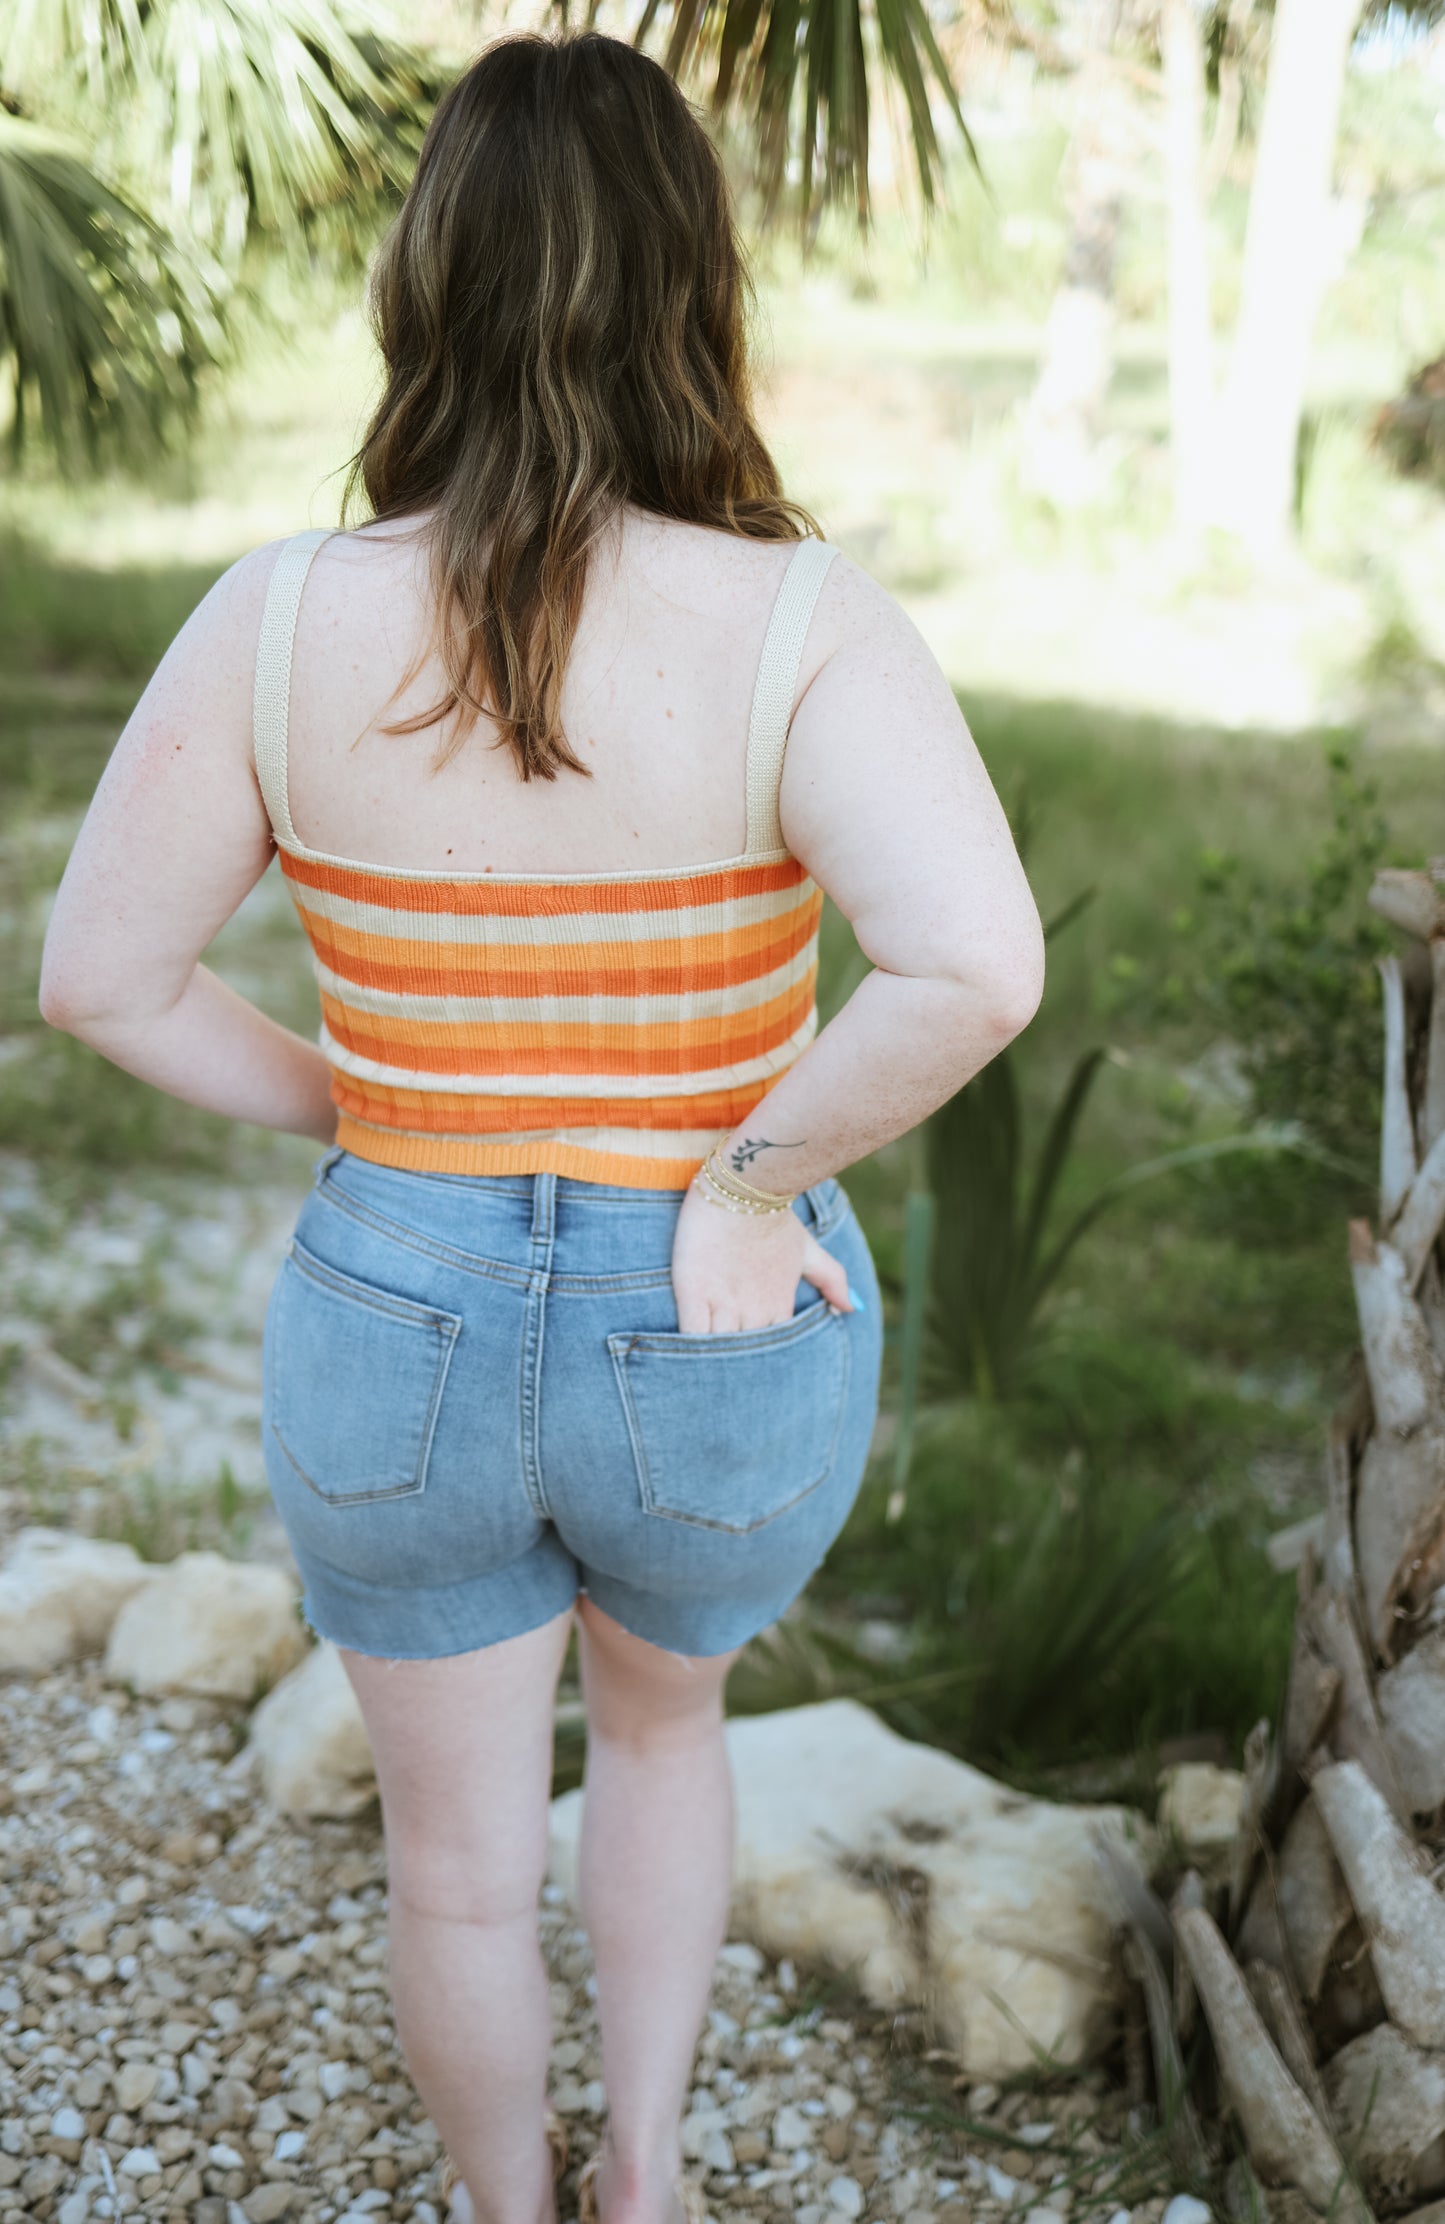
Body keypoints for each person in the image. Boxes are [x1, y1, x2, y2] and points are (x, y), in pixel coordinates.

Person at [38, 29, 1044, 2224]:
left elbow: (99, 979)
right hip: (718, 1317)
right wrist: (755, 1172)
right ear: (696, 284)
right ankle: (650, 2171)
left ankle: (510, 2212)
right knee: (671, 1734)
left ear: (427, 279)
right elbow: (976, 964)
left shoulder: (279, 618)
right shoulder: (801, 622)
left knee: (459, 1867)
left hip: (392, 1306)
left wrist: (364, 1101)